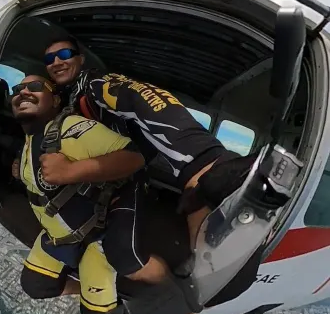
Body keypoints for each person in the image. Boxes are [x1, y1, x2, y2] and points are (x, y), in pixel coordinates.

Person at [42, 37, 260, 263]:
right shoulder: (62, 99)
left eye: (65, 55)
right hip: (91, 186)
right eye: (49, 59)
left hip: (126, 177)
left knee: (121, 254)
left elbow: (138, 96)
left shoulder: (95, 83)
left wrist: (203, 161)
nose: (57, 62)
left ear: (81, 59)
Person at [11, 73, 172, 314]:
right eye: (17, 88)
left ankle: (170, 293)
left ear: (54, 100)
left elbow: (135, 156)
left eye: (34, 86)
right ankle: (90, 288)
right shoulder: (30, 141)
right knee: (35, 285)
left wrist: (72, 172)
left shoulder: (70, 129)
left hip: (94, 235)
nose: (23, 92)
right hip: (58, 235)